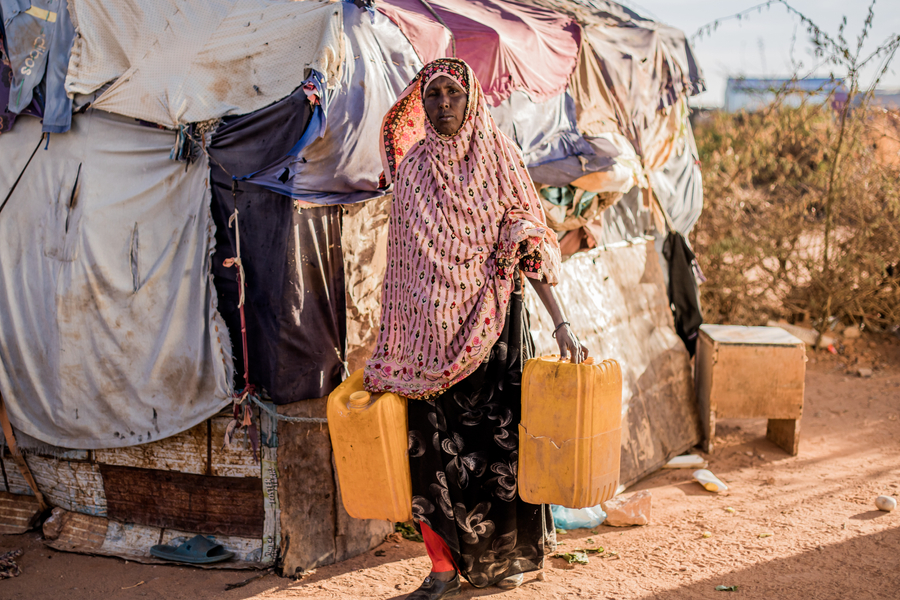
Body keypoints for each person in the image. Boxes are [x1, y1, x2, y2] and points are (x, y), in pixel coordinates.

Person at [364, 58, 587, 599]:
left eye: (453, 94)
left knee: (502, 452)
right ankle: (441, 568)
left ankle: (508, 559)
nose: (443, 104)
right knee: (430, 453)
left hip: (496, 333)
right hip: (427, 347)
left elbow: (528, 242)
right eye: (433, 94)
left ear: (471, 100)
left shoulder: (499, 158)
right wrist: (399, 337)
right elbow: (403, 267)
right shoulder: (413, 169)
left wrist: (561, 323)